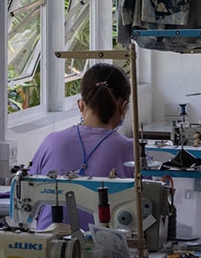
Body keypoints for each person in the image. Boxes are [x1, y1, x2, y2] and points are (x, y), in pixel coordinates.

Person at [27, 63, 134, 229]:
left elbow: (29, 189)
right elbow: (148, 205)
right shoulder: (130, 150)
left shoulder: (51, 142)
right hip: (105, 243)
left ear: (81, 105)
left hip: (50, 241)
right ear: (124, 107)